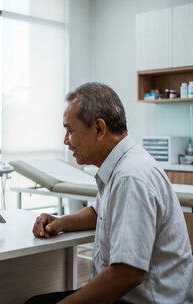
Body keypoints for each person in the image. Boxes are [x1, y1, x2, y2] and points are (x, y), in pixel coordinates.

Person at [27, 82, 193, 304]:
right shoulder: (120, 167)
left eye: (69, 130)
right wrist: (60, 222)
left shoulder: (130, 177)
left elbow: (127, 274)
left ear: (99, 129)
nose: (65, 141)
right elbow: (100, 213)